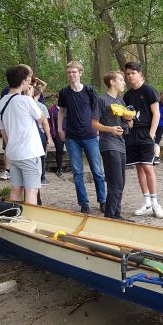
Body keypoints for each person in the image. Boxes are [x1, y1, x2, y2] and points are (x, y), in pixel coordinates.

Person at [57, 60, 106, 214]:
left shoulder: (90, 90)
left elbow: (97, 110)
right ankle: (84, 203)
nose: (71, 75)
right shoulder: (64, 92)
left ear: (80, 73)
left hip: (90, 135)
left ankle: (103, 200)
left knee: (97, 171)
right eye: (69, 72)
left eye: (74, 72)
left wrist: (99, 128)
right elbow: (61, 111)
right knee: (77, 172)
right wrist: (59, 129)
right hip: (72, 137)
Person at [0, 65, 48, 205]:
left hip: (13, 153)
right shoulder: (26, 100)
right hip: (30, 153)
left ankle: (14, 219)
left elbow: (3, 132)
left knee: (16, 189)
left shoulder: (0, 104)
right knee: (31, 190)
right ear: (24, 81)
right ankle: (28, 222)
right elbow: (41, 118)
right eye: (28, 79)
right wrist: (30, 98)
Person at [123, 61, 163, 219]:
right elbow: (130, 119)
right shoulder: (127, 96)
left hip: (146, 133)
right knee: (139, 167)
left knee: (148, 167)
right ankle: (146, 202)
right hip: (132, 134)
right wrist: (127, 120)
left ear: (140, 74)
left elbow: (156, 114)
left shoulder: (148, 90)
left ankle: (155, 203)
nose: (130, 76)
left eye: (133, 73)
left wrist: (151, 134)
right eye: (127, 74)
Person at [92, 71, 133, 220]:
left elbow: (130, 125)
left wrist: (128, 118)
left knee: (121, 182)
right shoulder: (101, 100)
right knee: (115, 182)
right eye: (121, 80)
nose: (124, 82)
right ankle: (110, 216)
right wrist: (110, 129)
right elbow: (94, 123)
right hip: (108, 144)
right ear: (112, 82)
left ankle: (117, 213)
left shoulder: (121, 102)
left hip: (121, 144)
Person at [31, 86, 52, 185]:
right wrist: (48, 137)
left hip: (29, 135)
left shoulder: (24, 104)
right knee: (41, 156)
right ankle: (42, 177)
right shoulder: (41, 106)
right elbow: (45, 123)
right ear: (38, 94)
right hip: (40, 134)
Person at [48, 93, 65, 178]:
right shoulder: (52, 109)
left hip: (69, 131)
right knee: (59, 150)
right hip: (57, 132)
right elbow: (49, 122)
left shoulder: (68, 108)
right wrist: (52, 133)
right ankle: (59, 169)